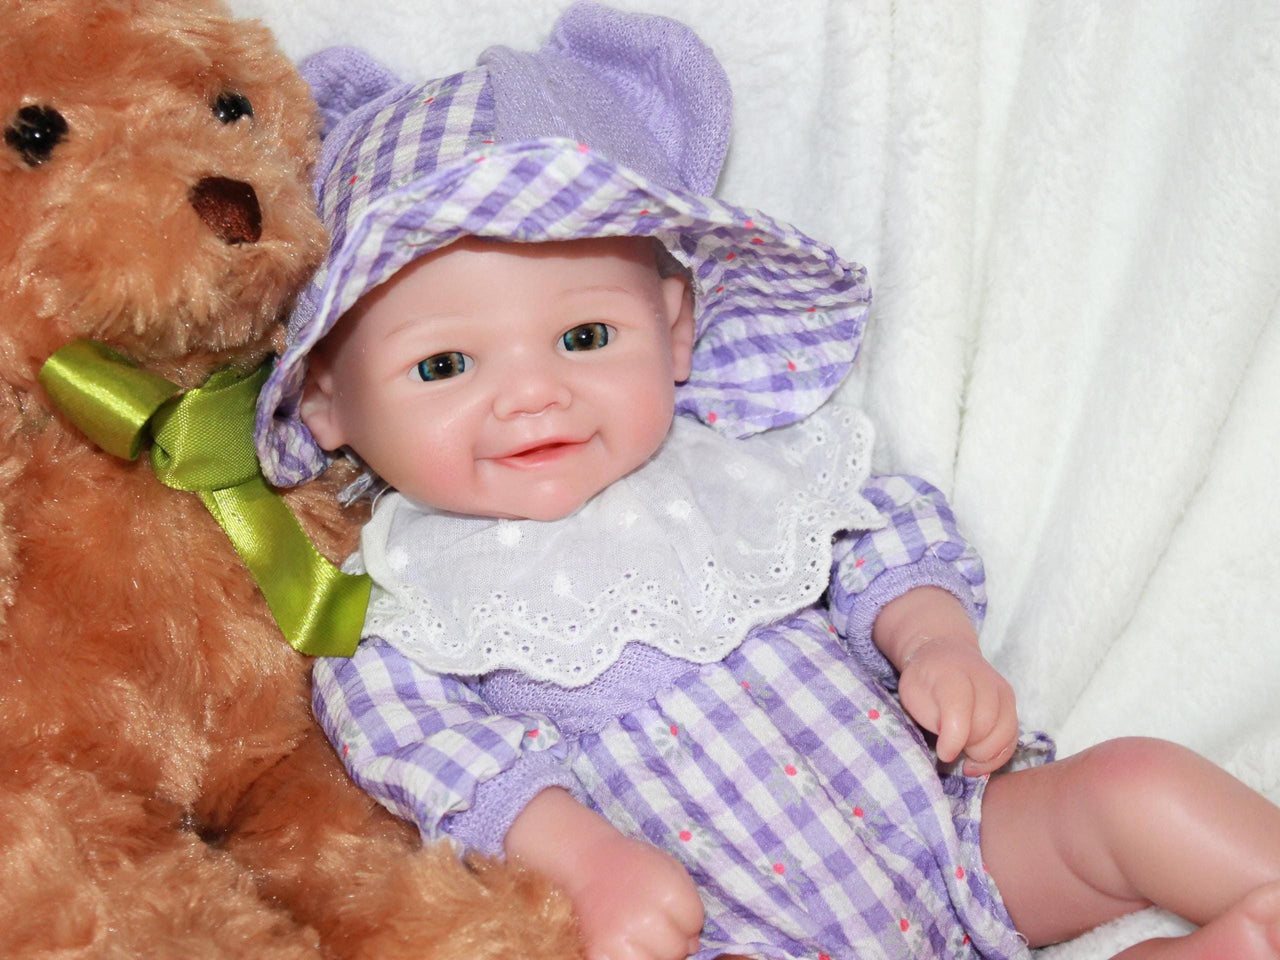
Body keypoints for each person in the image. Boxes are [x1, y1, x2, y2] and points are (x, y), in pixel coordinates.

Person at [254, 5, 1280, 959]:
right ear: (327, 402)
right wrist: (587, 860)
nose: (533, 397)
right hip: (723, 925)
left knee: (1132, 787)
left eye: (585, 337)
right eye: (443, 365)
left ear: (676, 329)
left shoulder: (744, 464)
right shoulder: (406, 604)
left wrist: (933, 641)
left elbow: (881, 534)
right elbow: (426, 750)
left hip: (942, 827)